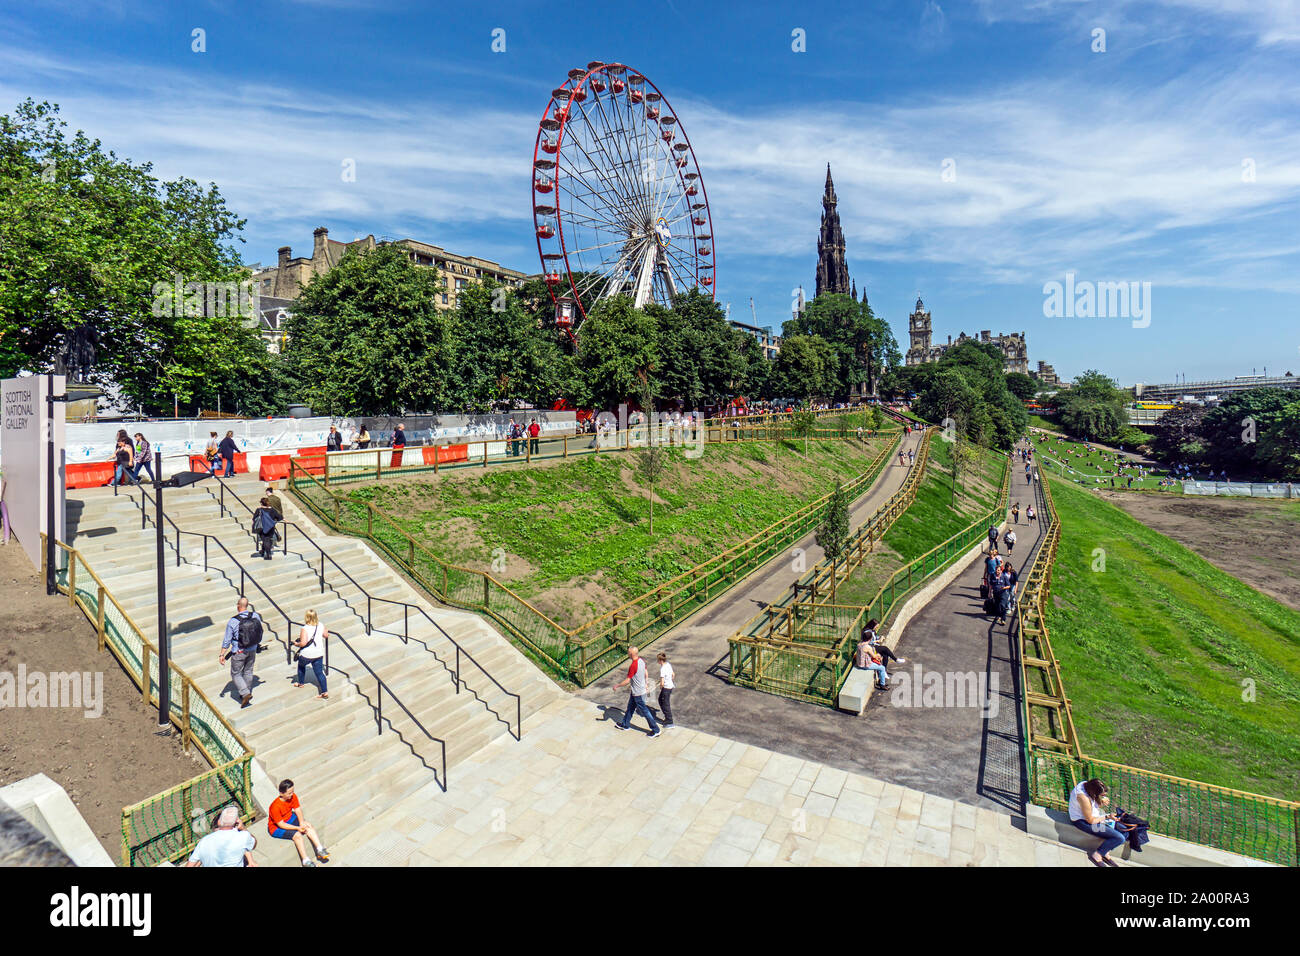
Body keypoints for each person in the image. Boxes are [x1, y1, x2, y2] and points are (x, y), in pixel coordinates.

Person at [268, 779, 330, 867]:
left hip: (289, 818)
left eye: (292, 791)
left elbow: (297, 809)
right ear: (281, 793)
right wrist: (297, 828)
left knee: (307, 825)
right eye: (289, 793)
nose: (292, 794)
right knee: (297, 835)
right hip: (276, 828)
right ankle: (306, 861)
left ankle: (320, 849)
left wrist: (301, 822)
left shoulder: (293, 797)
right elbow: (281, 824)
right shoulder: (275, 807)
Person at [1068, 778, 1125, 866]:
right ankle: (1097, 854)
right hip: (1083, 822)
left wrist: (1101, 802)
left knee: (1123, 830)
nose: (1102, 796)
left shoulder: (1086, 785)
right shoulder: (1083, 798)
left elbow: (1093, 805)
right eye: (1100, 794)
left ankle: (1105, 851)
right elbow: (1091, 820)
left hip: (1093, 817)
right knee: (1119, 838)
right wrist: (1107, 817)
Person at [221, 597, 262, 708]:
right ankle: (246, 692)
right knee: (248, 671)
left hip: (239, 651)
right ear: (247, 605)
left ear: (238, 606)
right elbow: (259, 631)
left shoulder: (233, 621)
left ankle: (245, 693)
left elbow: (227, 640)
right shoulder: (255, 616)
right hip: (252, 648)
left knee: (236, 673)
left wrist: (222, 654)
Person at [612, 646, 661, 737]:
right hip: (637, 690)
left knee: (645, 711)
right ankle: (625, 724)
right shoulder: (641, 661)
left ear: (631, 654)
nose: (627, 653)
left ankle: (656, 729)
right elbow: (646, 672)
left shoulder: (633, 665)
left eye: (628, 652)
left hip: (638, 693)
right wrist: (646, 683)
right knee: (630, 707)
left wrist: (617, 685)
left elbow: (627, 680)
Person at [184, 806, 257, 867]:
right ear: (236, 822)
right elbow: (253, 843)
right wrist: (243, 828)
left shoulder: (204, 842)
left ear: (219, 822)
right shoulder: (243, 837)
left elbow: (190, 865)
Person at [293, 609, 329, 700]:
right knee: (320, 673)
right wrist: (325, 629)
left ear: (307, 617)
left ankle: (301, 683)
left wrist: (296, 644)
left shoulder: (305, 628)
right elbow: (326, 635)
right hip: (318, 653)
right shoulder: (320, 625)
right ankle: (324, 692)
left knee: (301, 666)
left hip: (307, 654)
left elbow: (303, 643)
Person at [656, 651, 675, 729]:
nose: (657, 661)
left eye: (657, 660)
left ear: (660, 661)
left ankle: (670, 721)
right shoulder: (668, 664)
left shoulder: (662, 669)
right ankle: (667, 718)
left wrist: (661, 686)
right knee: (660, 700)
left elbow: (662, 681)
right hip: (670, 686)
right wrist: (670, 680)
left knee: (665, 704)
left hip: (666, 688)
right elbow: (673, 674)